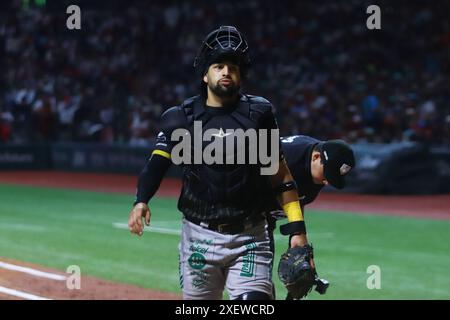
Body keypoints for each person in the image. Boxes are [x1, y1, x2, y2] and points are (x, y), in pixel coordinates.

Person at [128, 26, 312, 300]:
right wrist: (141, 200)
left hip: (251, 236)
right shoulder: (180, 119)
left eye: (233, 68)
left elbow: (281, 176)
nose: (226, 72)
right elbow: (157, 165)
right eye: (218, 66)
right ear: (205, 74)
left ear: (241, 76)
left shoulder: (260, 114)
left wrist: (298, 231)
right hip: (198, 236)